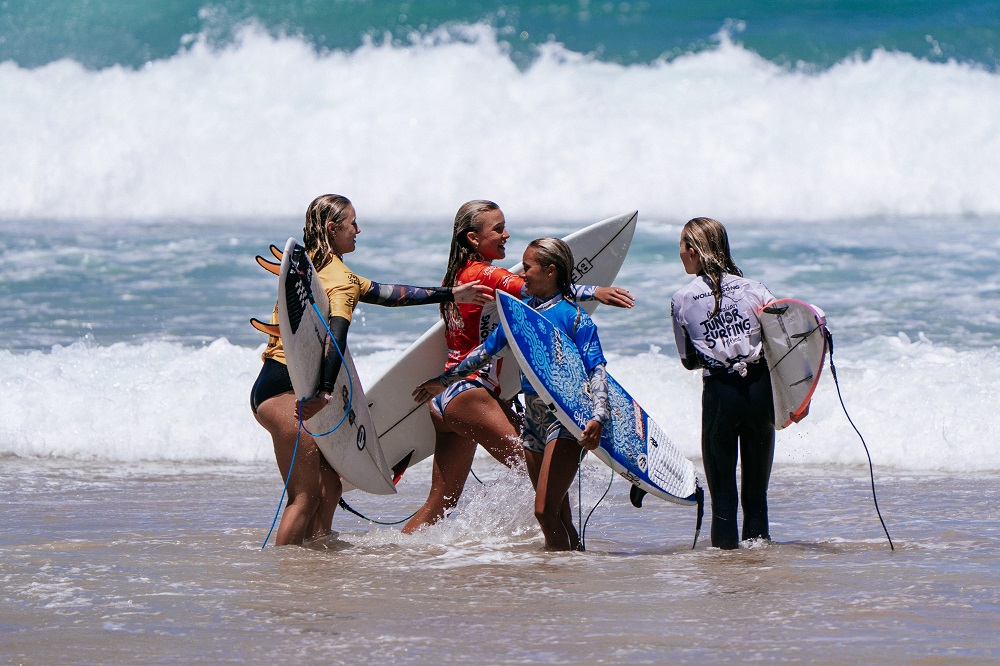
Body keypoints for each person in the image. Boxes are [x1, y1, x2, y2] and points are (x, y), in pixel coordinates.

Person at [250, 194, 490, 546]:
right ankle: (287, 572)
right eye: (352, 223)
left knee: (329, 487)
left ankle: (317, 558)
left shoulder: (309, 269)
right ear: (333, 228)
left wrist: (452, 293)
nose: (358, 230)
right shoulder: (341, 280)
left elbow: (391, 294)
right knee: (304, 496)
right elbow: (335, 337)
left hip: (278, 385)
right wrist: (325, 393)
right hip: (286, 393)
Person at [403, 200, 633, 535]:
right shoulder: (486, 274)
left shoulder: (457, 276)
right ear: (473, 238)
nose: (506, 234)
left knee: (440, 505)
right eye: (497, 229)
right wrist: (594, 291)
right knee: (547, 478)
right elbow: (537, 290)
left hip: (448, 397)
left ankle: (396, 557)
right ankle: (567, 557)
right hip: (471, 395)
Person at [669, 217, 776, 549]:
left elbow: (689, 360)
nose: (680, 254)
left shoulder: (682, 299)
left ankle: (727, 571)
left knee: (724, 499)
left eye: (681, 247)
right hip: (760, 393)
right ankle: (759, 565)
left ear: (693, 250)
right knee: (756, 494)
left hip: (721, 395)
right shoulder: (755, 289)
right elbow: (783, 341)